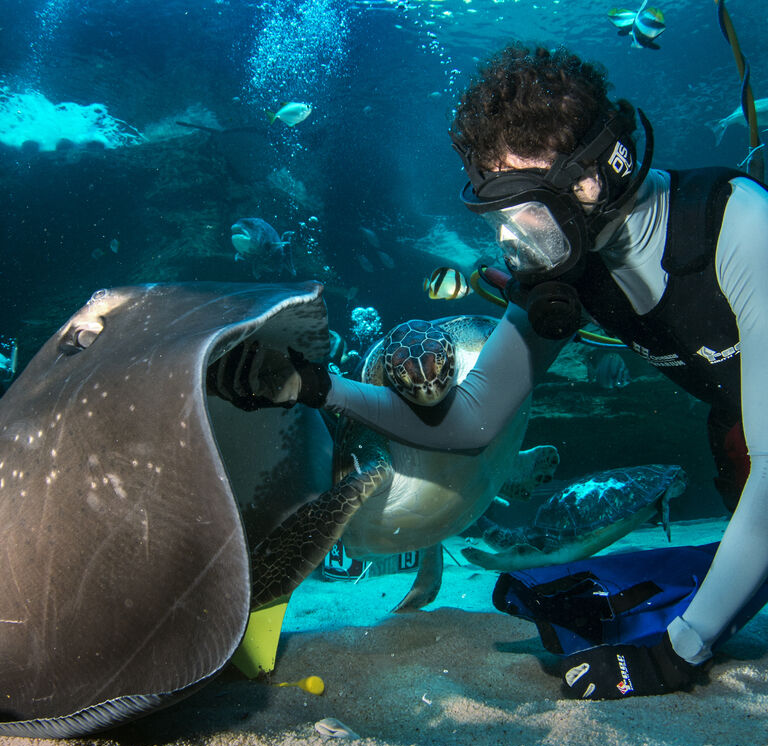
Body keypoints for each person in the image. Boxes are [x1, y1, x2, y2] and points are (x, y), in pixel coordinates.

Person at [208, 43, 768, 700]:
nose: (509, 237)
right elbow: (472, 420)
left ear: (592, 178)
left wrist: (680, 649)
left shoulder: (741, 229)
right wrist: (316, 386)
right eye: (494, 212)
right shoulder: (572, 268)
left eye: (523, 205)